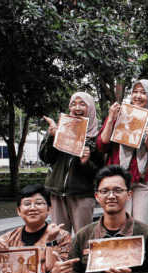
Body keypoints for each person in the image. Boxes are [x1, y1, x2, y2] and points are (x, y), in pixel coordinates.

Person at [97, 80, 148, 226]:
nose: (138, 96)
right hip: (118, 180)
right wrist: (111, 119)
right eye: (135, 91)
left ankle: (144, 250)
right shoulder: (119, 116)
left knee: (143, 225)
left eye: (143, 92)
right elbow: (101, 146)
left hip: (144, 179)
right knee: (119, 223)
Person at [40, 92, 102, 234]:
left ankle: (83, 258)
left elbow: (99, 173)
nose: (77, 107)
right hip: (56, 192)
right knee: (59, 237)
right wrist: (52, 137)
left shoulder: (96, 138)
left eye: (82, 104)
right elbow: (45, 157)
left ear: (90, 108)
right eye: (73, 104)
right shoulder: (59, 129)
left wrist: (86, 163)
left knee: (83, 237)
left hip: (82, 194)